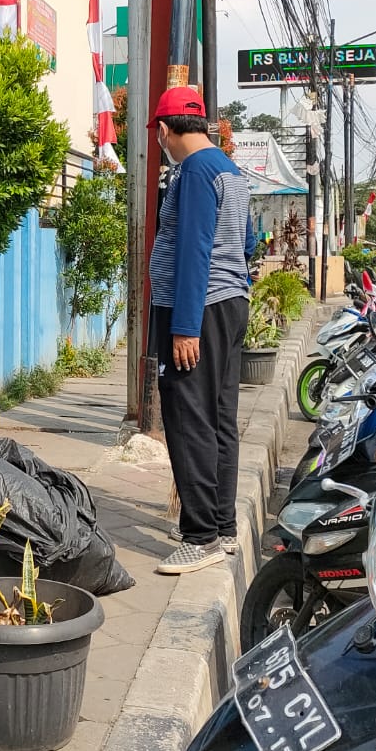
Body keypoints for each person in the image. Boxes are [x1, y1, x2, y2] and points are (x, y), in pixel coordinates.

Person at [147, 85, 256, 574]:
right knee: (219, 418)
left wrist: (186, 326)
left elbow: (194, 249)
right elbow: (248, 241)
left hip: (195, 309)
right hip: (231, 303)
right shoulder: (231, 172)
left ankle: (200, 536)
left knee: (189, 420)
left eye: (159, 136)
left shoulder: (191, 173)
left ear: (165, 131)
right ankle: (222, 525)